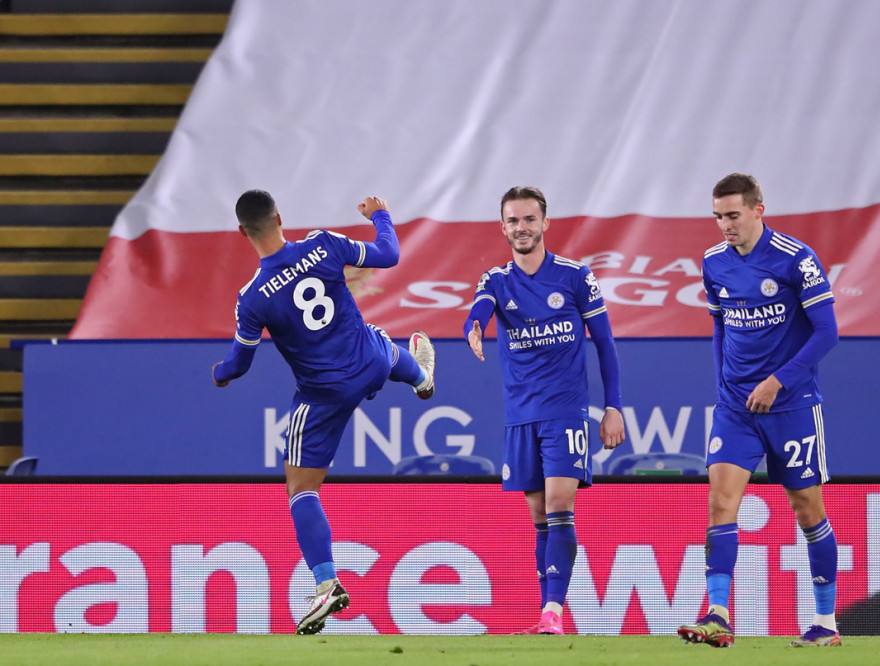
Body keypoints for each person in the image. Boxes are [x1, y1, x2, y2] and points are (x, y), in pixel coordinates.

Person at [211, 190, 436, 635]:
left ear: (242, 232)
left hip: (324, 394)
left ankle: (326, 583)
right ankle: (419, 377)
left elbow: (239, 365)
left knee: (300, 489)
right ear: (279, 216)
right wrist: (382, 216)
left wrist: (218, 373)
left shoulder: (252, 297)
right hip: (367, 362)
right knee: (377, 342)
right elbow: (389, 253)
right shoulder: (323, 244)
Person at [677, 173, 841, 648]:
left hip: (791, 405)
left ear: (757, 210)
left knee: (807, 509)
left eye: (732, 215)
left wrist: (777, 381)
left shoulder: (795, 259)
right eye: (718, 217)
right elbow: (720, 327)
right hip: (735, 408)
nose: (724, 225)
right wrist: (723, 382)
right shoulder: (713, 262)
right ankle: (718, 615)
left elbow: (827, 332)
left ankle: (826, 623)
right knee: (720, 504)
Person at [464, 186, 626, 635]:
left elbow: (606, 346)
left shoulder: (575, 277)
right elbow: (479, 309)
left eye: (529, 219)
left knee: (558, 503)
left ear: (545, 224)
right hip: (520, 415)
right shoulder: (495, 280)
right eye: (513, 221)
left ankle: (554, 613)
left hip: (566, 411)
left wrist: (613, 408)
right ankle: (545, 613)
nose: (522, 228)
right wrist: (475, 327)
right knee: (539, 513)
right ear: (503, 228)